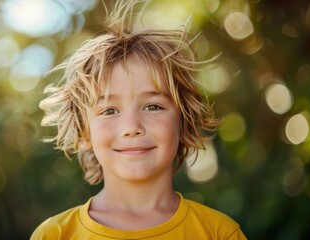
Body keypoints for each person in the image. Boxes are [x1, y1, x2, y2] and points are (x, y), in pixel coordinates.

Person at [31, 0, 247, 239]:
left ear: (183, 122)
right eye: (110, 110)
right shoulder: (55, 235)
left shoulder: (219, 233)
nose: (131, 128)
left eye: (153, 106)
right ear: (84, 132)